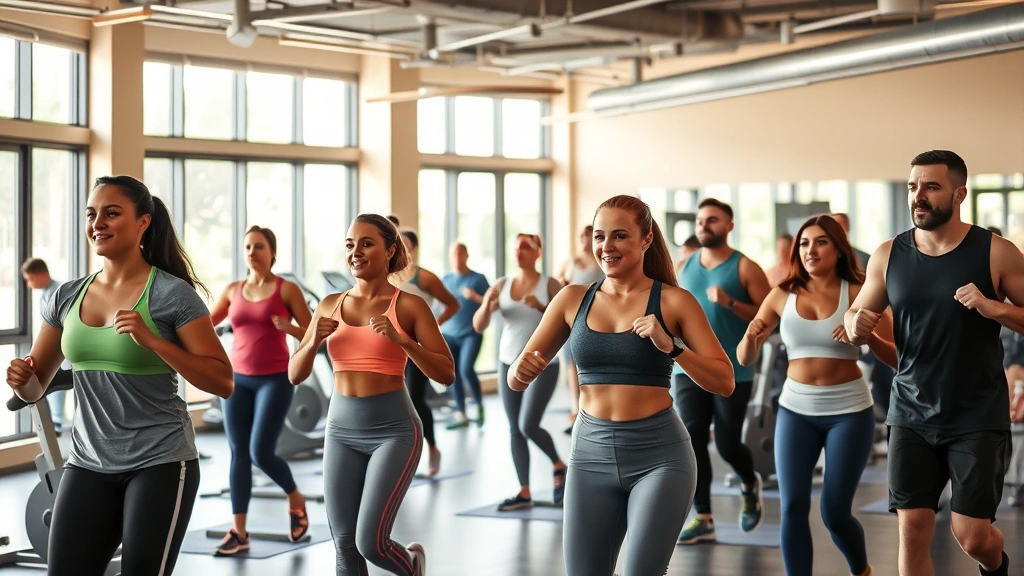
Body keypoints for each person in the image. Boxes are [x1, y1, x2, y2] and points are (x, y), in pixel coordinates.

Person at [5, 175, 233, 575]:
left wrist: (155, 342)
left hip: (161, 460)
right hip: (88, 460)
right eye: (92, 214)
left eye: (112, 213)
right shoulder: (66, 296)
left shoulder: (171, 294)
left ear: (143, 222)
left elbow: (222, 381)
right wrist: (23, 382)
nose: (98, 224)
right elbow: (35, 387)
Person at [509, 195, 734, 576]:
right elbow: (518, 376)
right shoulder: (572, 299)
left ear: (646, 240)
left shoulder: (675, 302)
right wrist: (521, 372)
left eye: (619, 236)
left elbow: (724, 381)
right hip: (589, 455)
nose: (606, 247)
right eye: (599, 236)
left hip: (659, 459)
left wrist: (673, 347)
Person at [846, 150, 1024, 576]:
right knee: (913, 526)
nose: (918, 196)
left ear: (960, 193)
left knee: (973, 535)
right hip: (910, 410)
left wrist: (992, 307)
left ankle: (995, 566)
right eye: (912, 186)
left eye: (931, 186)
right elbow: (855, 317)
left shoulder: (996, 252)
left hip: (977, 413)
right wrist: (857, 326)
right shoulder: (888, 254)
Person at [289, 214, 455, 576]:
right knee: (345, 547)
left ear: (389, 250)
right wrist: (314, 339)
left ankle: (411, 565)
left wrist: (403, 341)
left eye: (366, 243)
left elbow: (446, 372)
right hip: (341, 431)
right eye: (350, 245)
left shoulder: (409, 306)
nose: (356, 252)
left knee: (371, 544)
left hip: (394, 431)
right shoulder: (329, 304)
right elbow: (294, 372)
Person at [739, 215, 894, 576]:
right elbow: (745, 357)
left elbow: (897, 357)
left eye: (821, 242)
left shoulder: (858, 292)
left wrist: (867, 336)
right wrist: (750, 337)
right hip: (795, 411)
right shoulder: (781, 294)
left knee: (834, 512)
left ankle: (861, 569)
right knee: (792, 506)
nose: (811, 250)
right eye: (804, 243)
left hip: (850, 411)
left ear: (838, 248)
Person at [207, 225, 313, 554]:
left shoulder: (287, 290)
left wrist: (289, 327)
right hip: (237, 379)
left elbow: (312, 333)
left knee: (260, 452)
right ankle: (239, 533)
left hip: (275, 379)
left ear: (273, 253)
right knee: (238, 453)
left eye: (259, 247)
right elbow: (203, 324)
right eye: (248, 247)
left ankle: (295, 498)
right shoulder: (232, 290)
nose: (252, 252)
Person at [675, 197, 772, 545]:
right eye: (700, 220)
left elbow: (767, 320)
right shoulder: (684, 266)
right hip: (687, 367)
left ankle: (749, 482)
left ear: (729, 226)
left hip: (732, 370)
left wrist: (730, 303)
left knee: (729, 444)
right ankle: (703, 516)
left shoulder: (745, 268)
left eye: (712, 220)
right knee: (692, 437)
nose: (704, 225)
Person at [474, 233, 567, 511]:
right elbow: (479, 325)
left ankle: (558, 464)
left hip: (543, 365)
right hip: (507, 363)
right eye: (516, 247)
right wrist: (487, 305)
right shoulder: (502, 284)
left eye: (526, 246)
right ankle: (524, 491)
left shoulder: (549, 284)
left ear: (538, 252)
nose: (519, 251)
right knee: (515, 429)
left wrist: (540, 306)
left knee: (528, 424)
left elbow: (565, 319)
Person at [398, 230, 460, 477]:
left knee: (414, 398)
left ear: (412, 248)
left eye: (403, 244)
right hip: (393, 347)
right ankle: (400, 454)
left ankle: (431, 447)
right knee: (396, 401)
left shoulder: (424, 277)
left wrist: (431, 327)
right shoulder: (388, 277)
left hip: (418, 349)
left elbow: (453, 304)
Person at [557, 224, 605, 430]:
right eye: (581, 236)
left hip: (596, 318)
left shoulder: (601, 261)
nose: (583, 240)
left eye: (588, 236)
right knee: (571, 363)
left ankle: (593, 406)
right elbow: (561, 285)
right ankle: (575, 407)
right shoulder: (571, 262)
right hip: (573, 317)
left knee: (592, 362)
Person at [441, 242, 490, 429]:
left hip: (471, 333)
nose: (457, 257)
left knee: (466, 369)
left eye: (461, 253)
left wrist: (476, 298)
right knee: (452, 374)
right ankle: (460, 413)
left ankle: (478, 405)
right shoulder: (445, 280)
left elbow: (492, 303)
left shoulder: (478, 279)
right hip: (449, 334)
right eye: (454, 254)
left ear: (467, 256)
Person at [21, 257, 72, 434]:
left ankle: (57, 421)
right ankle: (54, 421)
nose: (29, 284)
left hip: (63, 353)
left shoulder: (60, 291)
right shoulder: (45, 293)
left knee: (54, 384)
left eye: (30, 279)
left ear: (42, 274)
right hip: (53, 352)